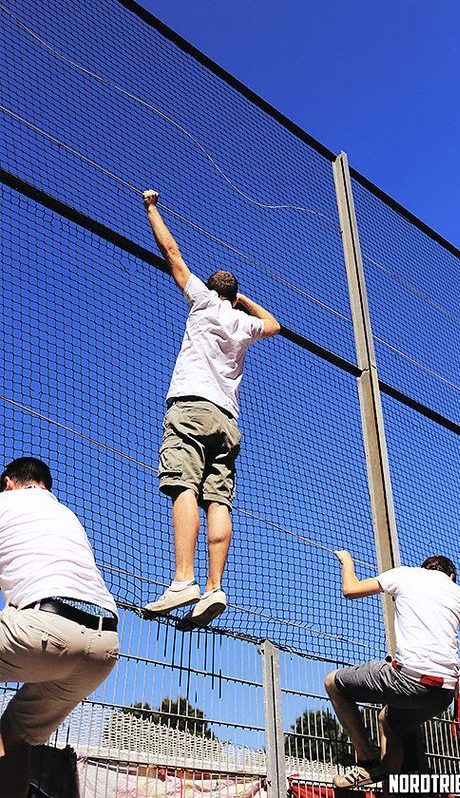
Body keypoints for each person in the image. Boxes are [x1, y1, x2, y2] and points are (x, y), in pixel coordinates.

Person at [142, 190, 280, 627]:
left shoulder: (202, 300)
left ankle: (184, 580)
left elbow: (172, 251)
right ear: (235, 295)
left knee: (182, 483)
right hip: (229, 421)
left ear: (213, 288)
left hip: (192, 406)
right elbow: (276, 324)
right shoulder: (243, 322)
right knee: (218, 498)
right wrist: (244, 304)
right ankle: (214, 587)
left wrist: (151, 209)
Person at [0, 457, 119, 798]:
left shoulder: (4, 503)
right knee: (14, 735)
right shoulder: (67, 516)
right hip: (104, 644)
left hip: (45, 627)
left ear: (8, 482)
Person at [326, 552, 460, 789]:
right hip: (444, 693)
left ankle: (365, 760)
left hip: (409, 678)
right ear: (452, 576)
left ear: (423, 568)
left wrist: (347, 562)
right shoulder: (459, 595)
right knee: (388, 719)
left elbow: (350, 590)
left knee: (332, 682)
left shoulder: (405, 574)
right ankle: (387, 781)